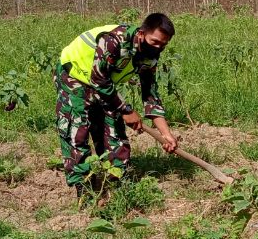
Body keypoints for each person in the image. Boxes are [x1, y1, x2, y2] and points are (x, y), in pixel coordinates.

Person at [55, 13, 179, 200]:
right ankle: (85, 190)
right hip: (75, 76)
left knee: (113, 131)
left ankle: (118, 185)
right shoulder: (114, 40)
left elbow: (150, 95)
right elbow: (98, 79)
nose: (158, 47)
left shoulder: (150, 56)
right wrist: (126, 110)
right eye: (155, 42)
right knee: (77, 131)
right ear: (141, 33)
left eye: (163, 44)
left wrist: (165, 133)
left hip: (104, 84)